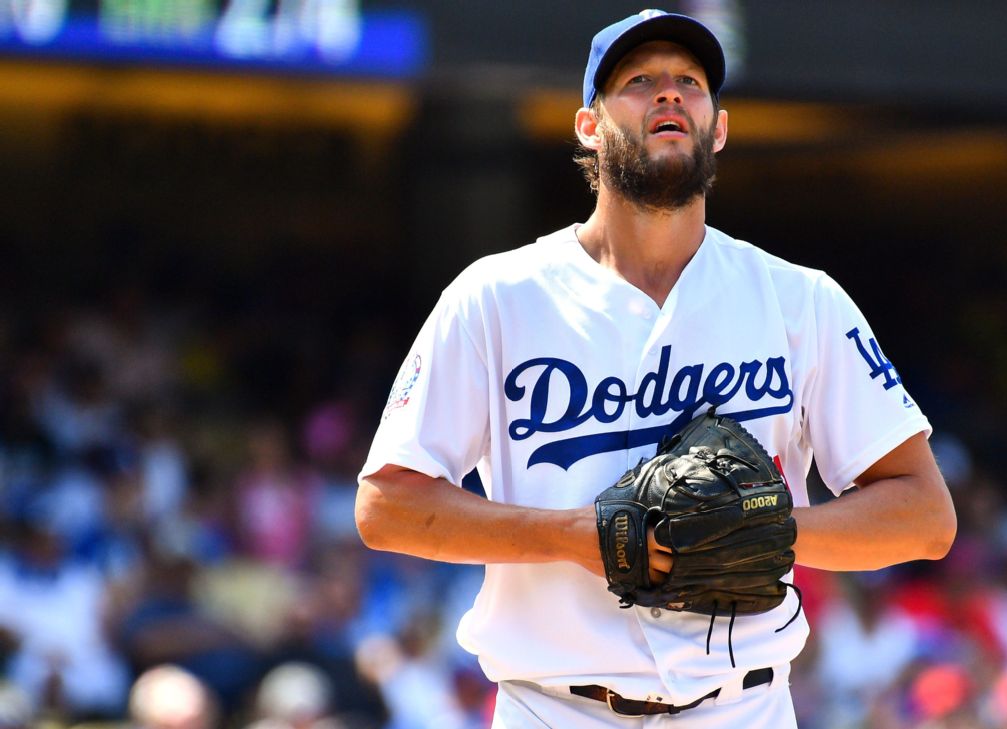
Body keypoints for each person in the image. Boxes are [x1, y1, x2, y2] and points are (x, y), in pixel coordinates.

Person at [355, 9, 956, 727]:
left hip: (743, 705)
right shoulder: (496, 298)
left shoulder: (801, 300)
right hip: (555, 707)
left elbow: (926, 516)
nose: (669, 94)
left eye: (690, 82)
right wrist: (569, 535)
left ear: (719, 128)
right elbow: (385, 506)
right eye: (640, 81)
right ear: (588, 125)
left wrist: (766, 527)